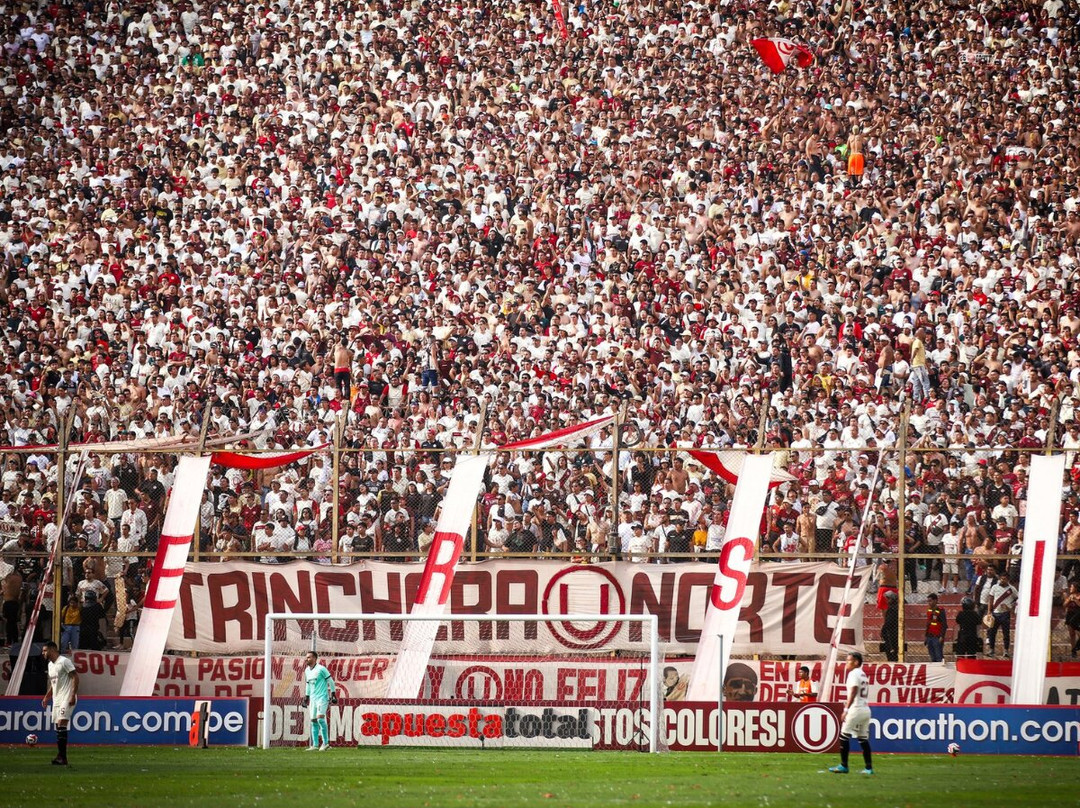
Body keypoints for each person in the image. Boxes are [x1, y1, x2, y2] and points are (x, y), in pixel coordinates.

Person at [829, 651, 873, 775]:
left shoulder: (853, 673)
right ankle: (869, 768)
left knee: (843, 736)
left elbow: (853, 691)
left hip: (856, 709)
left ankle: (844, 766)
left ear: (856, 662)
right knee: (863, 739)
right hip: (865, 709)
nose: (846, 663)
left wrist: (846, 710)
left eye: (849, 660)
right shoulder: (863, 674)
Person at [42, 640, 79, 766]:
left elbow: (75, 677)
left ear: (53, 650)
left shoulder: (64, 661)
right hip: (57, 699)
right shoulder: (50, 665)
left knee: (61, 723)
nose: (43, 653)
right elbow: (54, 684)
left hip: (67, 697)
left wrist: (72, 695)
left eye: (45, 650)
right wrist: (47, 697)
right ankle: (60, 756)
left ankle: (63, 758)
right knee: (58, 727)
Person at [302, 651, 337, 751]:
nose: (306, 659)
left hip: (322, 698)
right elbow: (308, 684)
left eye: (309, 657)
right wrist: (306, 697)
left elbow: (331, 681)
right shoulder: (307, 671)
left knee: (320, 719)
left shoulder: (321, 669)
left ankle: (326, 744)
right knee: (313, 721)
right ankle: (315, 745)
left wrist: (333, 694)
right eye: (306, 657)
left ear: (314, 658)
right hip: (313, 699)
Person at [986, 571, 1018, 658]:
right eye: (1001, 579)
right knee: (992, 633)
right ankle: (991, 650)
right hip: (995, 613)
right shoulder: (994, 587)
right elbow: (991, 599)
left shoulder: (1012, 589)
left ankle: (1006, 651)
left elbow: (1017, 599)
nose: (1002, 580)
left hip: (1005, 614)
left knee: (1006, 633)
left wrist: (1010, 607)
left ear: (1008, 580)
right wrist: (989, 611)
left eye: (1005, 579)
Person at [924, 593, 948, 663]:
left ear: (935, 601)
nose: (929, 603)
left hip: (937, 637)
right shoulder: (929, 610)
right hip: (929, 636)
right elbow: (928, 624)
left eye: (930, 601)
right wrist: (926, 636)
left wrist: (942, 636)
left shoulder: (940, 610)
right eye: (928, 601)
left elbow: (944, 624)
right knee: (932, 656)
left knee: (939, 656)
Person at [880, 591, 899, 662]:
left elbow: (888, 622)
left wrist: (883, 630)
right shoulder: (895, 607)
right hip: (892, 633)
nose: (887, 601)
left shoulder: (892, 608)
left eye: (888, 599)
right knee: (892, 651)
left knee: (891, 651)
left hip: (891, 634)